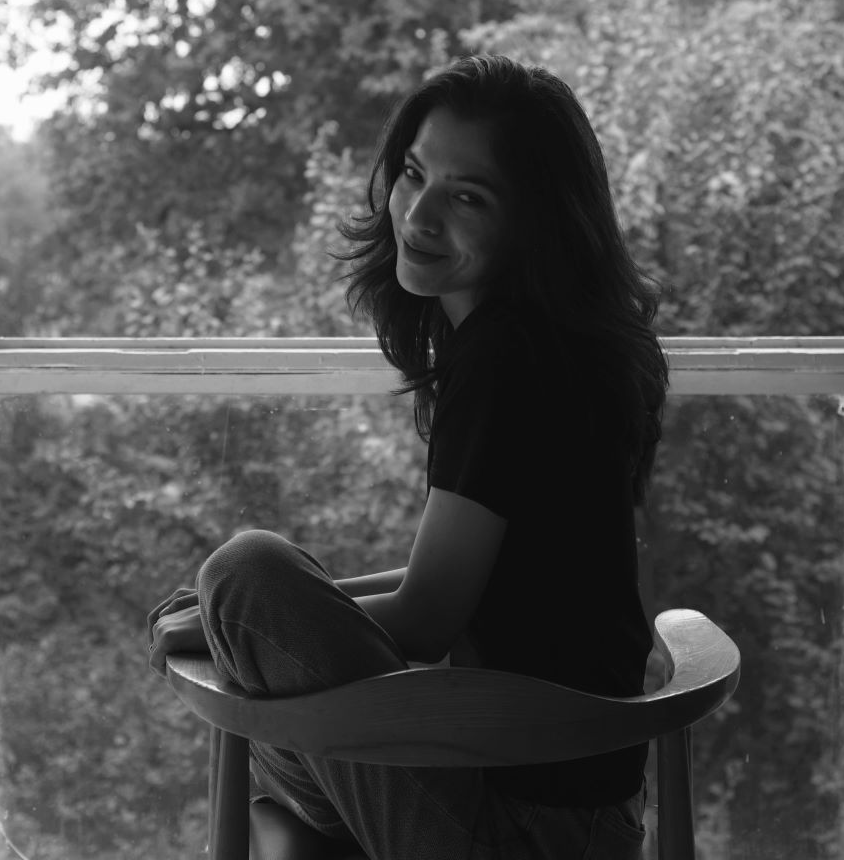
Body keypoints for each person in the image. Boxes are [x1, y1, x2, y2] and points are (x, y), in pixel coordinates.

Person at [146, 54, 669, 859]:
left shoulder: (508, 357)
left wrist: (238, 621)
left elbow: (427, 617)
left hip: (525, 824)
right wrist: (262, 618)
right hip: (571, 803)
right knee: (255, 597)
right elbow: (482, 583)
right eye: (414, 175)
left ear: (537, 220)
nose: (418, 216)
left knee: (247, 569)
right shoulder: (553, 342)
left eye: (468, 197)